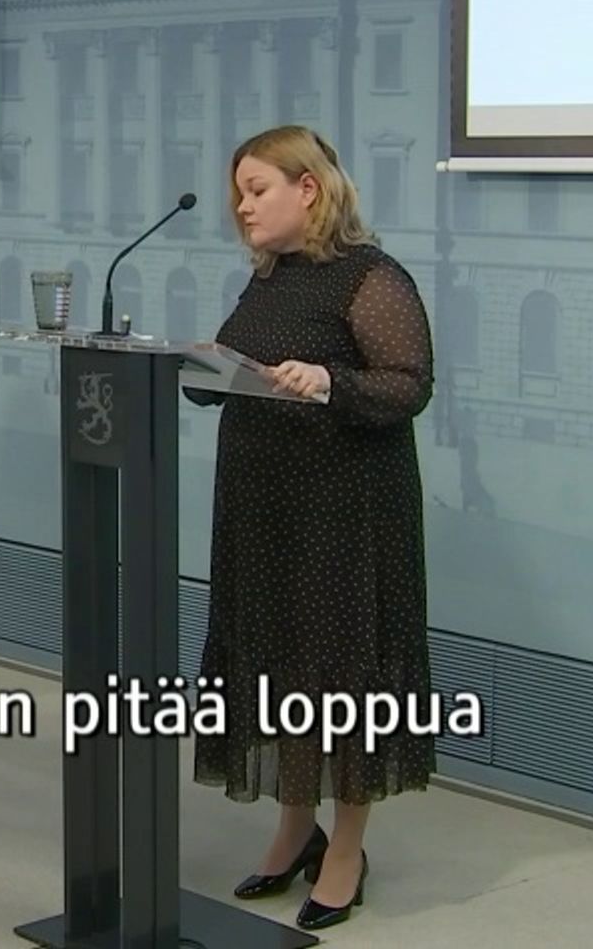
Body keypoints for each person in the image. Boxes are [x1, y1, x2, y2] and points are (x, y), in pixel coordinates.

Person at [186, 124, 435, 931]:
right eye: (238, 194)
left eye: (257, 190)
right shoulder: (268, 279)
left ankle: (347, 851)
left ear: (309, 189)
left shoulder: (371, 277)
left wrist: (330, 380)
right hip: (262, 511)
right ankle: (295, 829)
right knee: (277, 661)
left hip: (344, 516)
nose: (242, 207)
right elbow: (234, 366)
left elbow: (408, 384)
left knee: (339, 674)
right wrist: (199, 369)